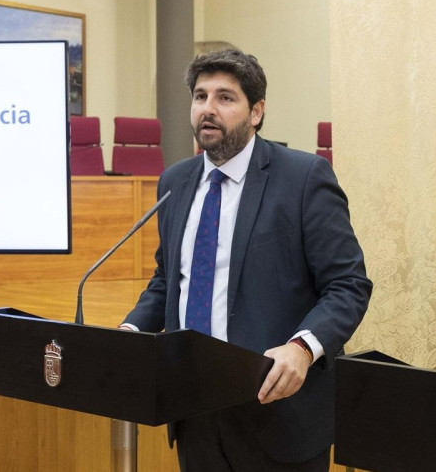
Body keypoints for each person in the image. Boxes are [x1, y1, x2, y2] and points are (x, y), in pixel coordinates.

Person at [120, 49, 372, 471]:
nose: (208, 110)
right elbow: (169, 279)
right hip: (194, 410)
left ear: (256, 111)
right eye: (200, 97)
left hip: (277, 411)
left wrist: (303, 348)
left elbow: (348, 285)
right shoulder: (175, 182)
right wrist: (131, 329)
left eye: (225, 98)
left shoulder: (303, 178)